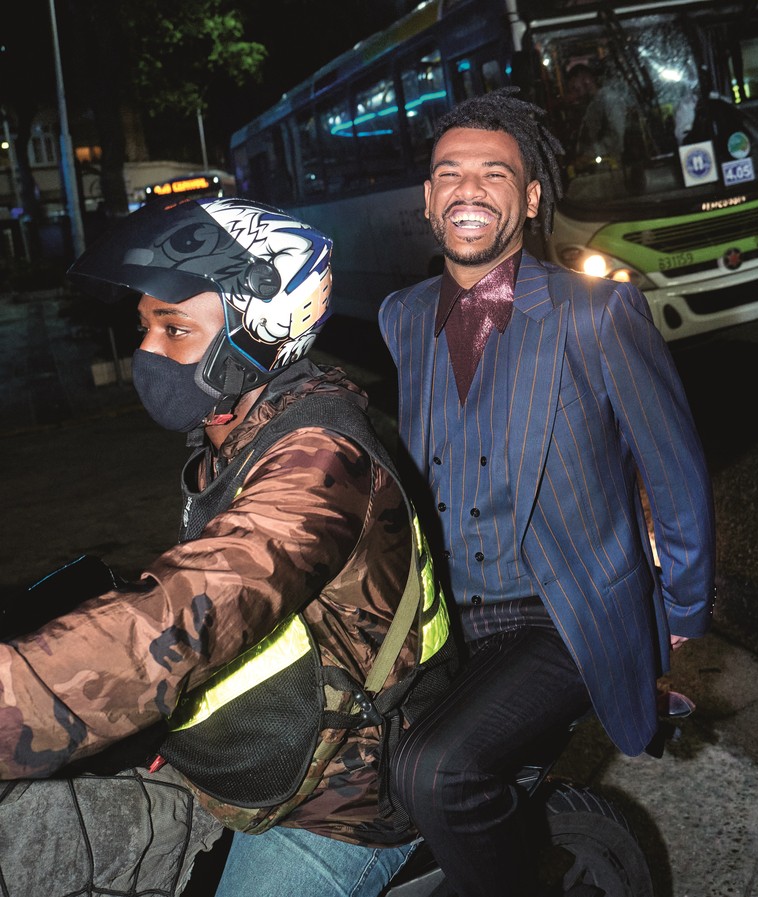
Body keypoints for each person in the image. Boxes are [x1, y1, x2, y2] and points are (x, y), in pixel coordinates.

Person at [0, 197, 456, 897]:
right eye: (145, 326)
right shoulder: (233, 430)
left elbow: (183, 615)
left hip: (344, 793)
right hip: (263, 734)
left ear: (257, 336)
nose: (148, 350)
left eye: (175, 329)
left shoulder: (321, 462)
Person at [378, 88, 716, 897]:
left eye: (495, 173)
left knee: (435, 770)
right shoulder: (402, 318)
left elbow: (675, 474)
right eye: (449, 173)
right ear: (428, 200)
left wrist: (679, 620)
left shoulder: (596, 314)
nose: (469, 188)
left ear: (529, 199)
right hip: (448, 620)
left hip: (563, 613)